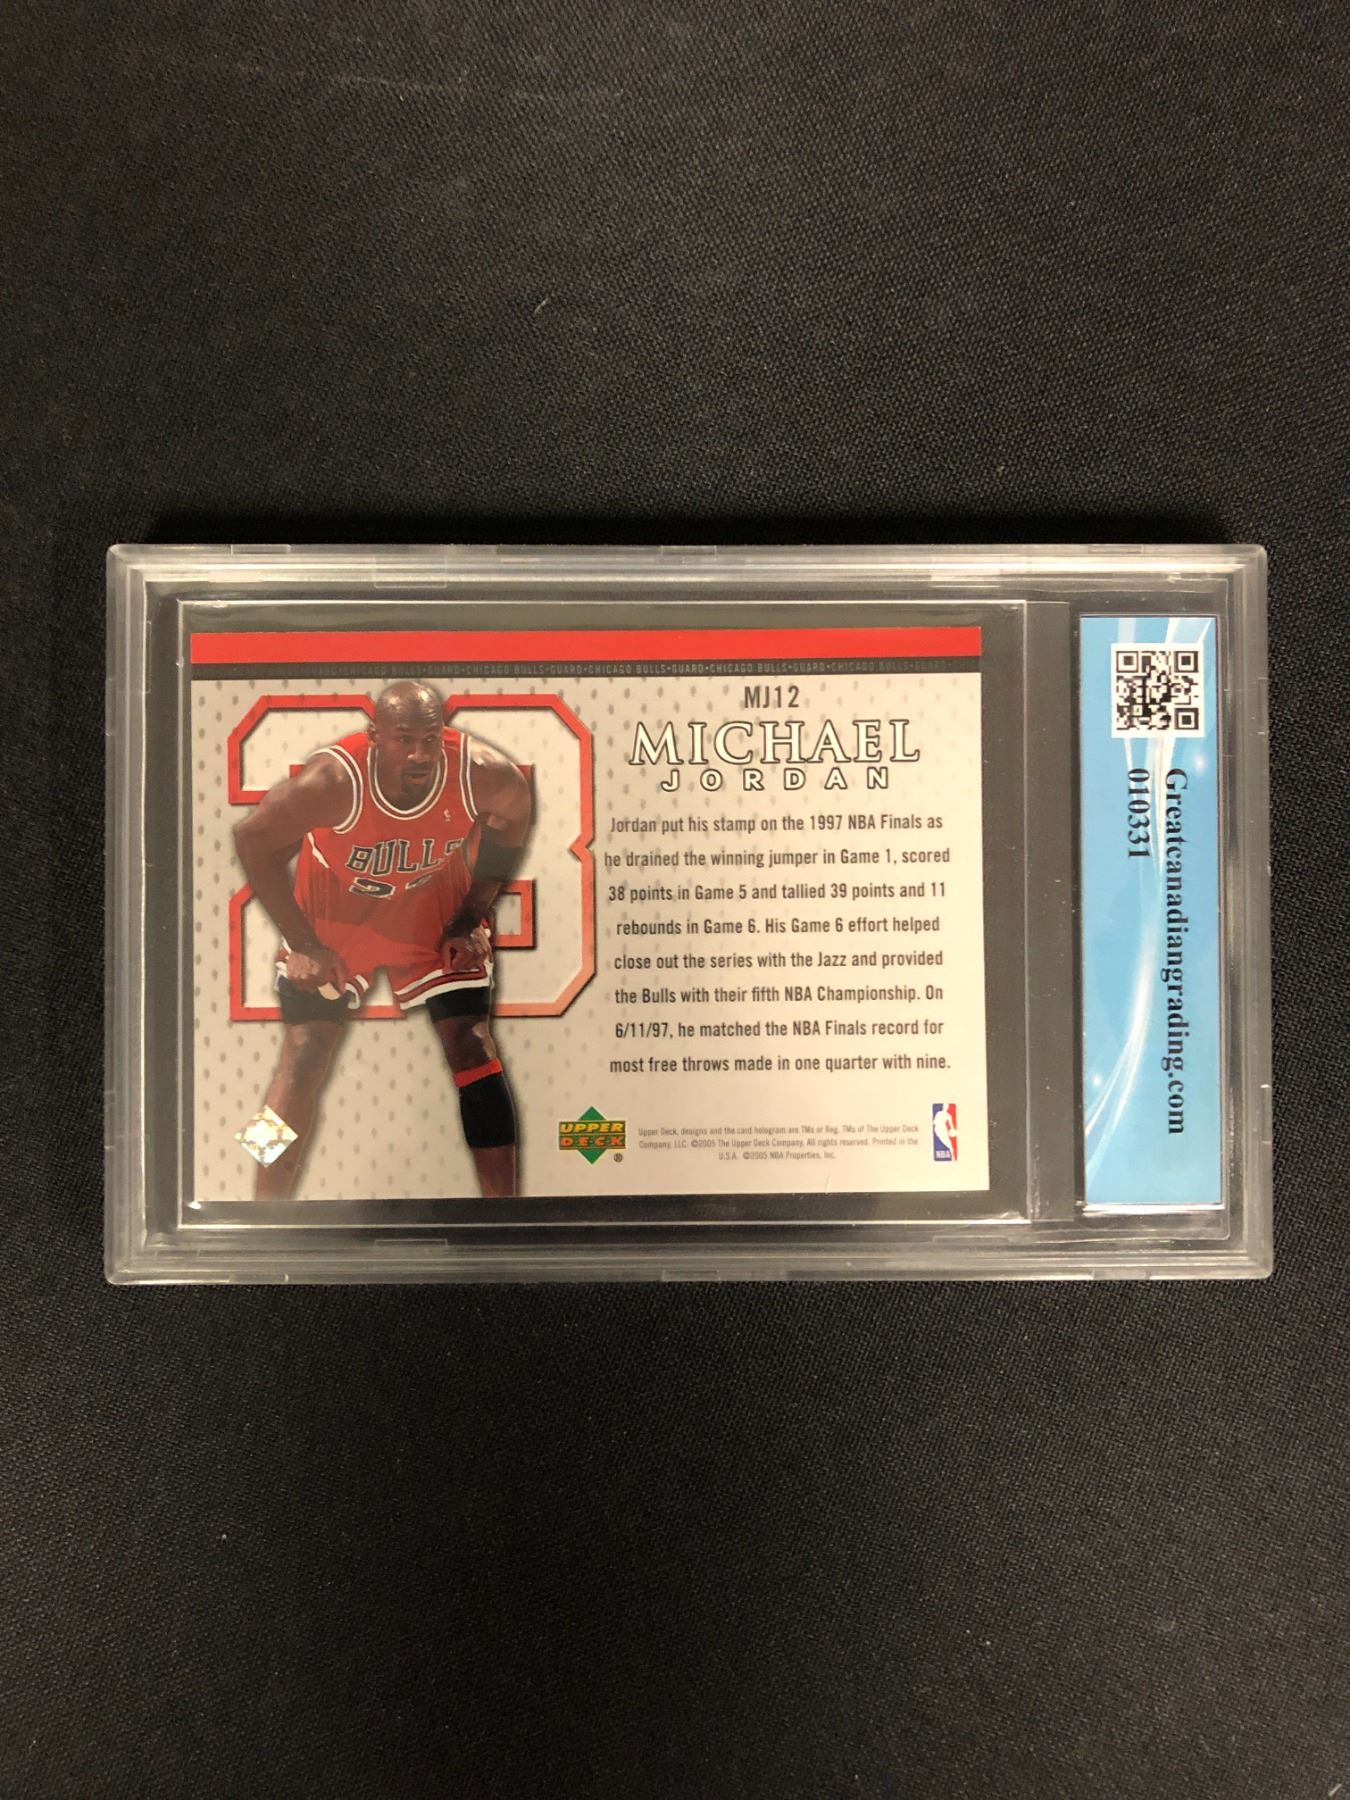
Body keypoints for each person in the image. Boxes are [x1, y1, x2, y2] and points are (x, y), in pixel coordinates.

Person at [233, 680, 531, 1199]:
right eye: (404, 739)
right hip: (335, 911)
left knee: (472, 1042)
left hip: (431, 905)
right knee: (302, 1056)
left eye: (430, 739)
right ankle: (262, 1203)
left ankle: (504, 1213)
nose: (419, 755)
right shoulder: (331, 781)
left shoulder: (481, 772)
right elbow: (250, 839)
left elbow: (513, 821)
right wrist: (302, 943)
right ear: (375, 737)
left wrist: (470, 919)